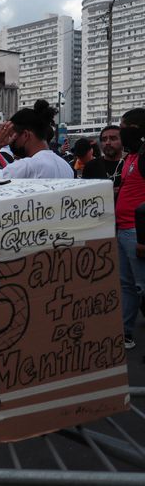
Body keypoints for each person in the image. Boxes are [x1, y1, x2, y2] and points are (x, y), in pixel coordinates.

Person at [0, 100, 74, 180]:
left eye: (12, 136)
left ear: (25, 135)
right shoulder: (65, 166)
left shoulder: (26, 167)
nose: (10, 141)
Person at [113, 108, 145, 350]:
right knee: (127, 285)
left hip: (137, 233)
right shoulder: (131, 157)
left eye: (123, 128)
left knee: (141, 286)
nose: (120, 133)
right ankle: (125, 333)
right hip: (123, 229)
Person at [82, 125, 125, 200]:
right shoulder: (91, 166)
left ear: (123, 141)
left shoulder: (130, 164)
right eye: (104, 139)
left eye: (113, 138)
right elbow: (85, 194)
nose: (107, 142)